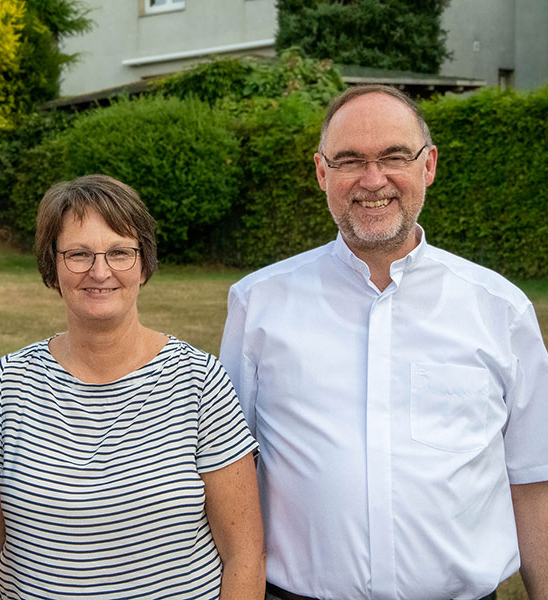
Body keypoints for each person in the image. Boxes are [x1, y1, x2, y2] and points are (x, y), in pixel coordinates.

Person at [220, 84, 548, 600]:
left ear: (429, 165)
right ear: (322, 173)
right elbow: (230, 475)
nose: (373, 180)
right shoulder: (258, 304)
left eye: (394, 156)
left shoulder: (501, 310)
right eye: (350, 160)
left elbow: (533, 480)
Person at [0, 174, 265, 599]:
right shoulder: (7, 384)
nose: (100, 271)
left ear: (143, 262)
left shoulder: (200, 382)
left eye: (119, 252)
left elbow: (243, 553)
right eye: (78, 254)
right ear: (52, 264)